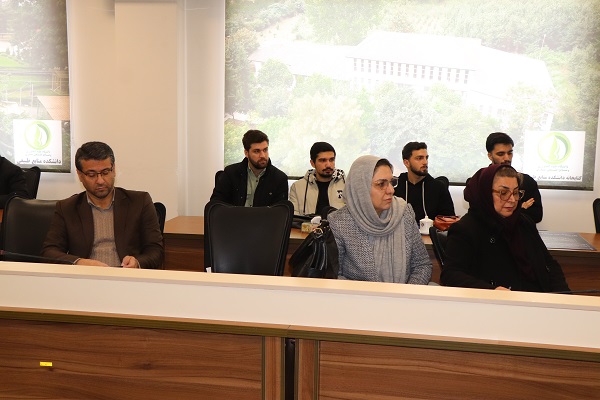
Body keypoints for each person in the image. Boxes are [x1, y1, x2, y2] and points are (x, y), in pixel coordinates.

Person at [441, 164, 569, 292]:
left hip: (537, 298)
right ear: (485, 193)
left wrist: (563, 295)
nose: (512, 199)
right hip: (497, 300)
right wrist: (491, 290)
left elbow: (549, 264)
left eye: (516, 193)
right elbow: (451, 274)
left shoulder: (524, 222)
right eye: (503, 193)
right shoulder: (466, 229)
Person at [42, 142, 164, 269]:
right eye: (91, 175)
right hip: (86, 277)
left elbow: (156, 250)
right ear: (80, 175)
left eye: (105, 172)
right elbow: (49, 252)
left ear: (114, 169)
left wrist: (137, 262)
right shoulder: (67, 208)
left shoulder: (139, 202)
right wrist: (79, 262)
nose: (100, 181)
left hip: (126, 276)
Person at [328, 155, 432, 284]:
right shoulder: (339, 222)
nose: (391, 190)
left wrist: (407, 292)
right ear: (361, 188)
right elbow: (334, 275)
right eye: (381, 184)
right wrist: (372, 295)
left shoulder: (404, 212)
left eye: (391, 182)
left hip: (403, 294)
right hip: (359, 296)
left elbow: (422, 265)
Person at [211, 129, 288, 207]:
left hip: (263, 216)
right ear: (246, 153)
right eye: (256, 151)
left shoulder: (279, 179)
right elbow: (216, 205)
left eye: (265, 150)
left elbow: (279, 212)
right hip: (235, 215)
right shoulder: (230, 173)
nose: (263, 155)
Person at [486, 132, 542, 223]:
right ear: (490, 156)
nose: (507, 158)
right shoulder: (479, 181)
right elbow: (480, 215)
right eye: (501, 154)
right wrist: (519, 208)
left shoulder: (526, 181)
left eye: (510, 153)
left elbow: (536, 216)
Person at [394, 142, 455, 224]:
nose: (425, 162)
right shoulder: (396, 186)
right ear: (406, 163)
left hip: (429, 231)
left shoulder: (438, 187)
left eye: (426, 158)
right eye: (419, 158)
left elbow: (449, 220)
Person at [289, 142, 345, 216]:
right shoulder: (297, 187)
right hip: (307, 224)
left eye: (331, 160)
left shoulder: (347, 185)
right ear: (312, 163)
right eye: (323, 160)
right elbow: (294, 218)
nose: (328, 165)